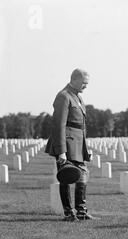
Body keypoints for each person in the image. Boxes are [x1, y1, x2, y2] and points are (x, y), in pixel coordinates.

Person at [45, 68, 94, 221]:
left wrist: (85, 148)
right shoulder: (63, 96)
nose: (86, 86)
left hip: (78, 144)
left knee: (83, 175)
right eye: (84, 83)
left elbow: (81, 126)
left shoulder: (77, 97)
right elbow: (59, 125)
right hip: (66, 144)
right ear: (74, 79)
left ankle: (81, 211)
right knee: (65, 177)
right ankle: (69, 213)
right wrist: (61, 151)